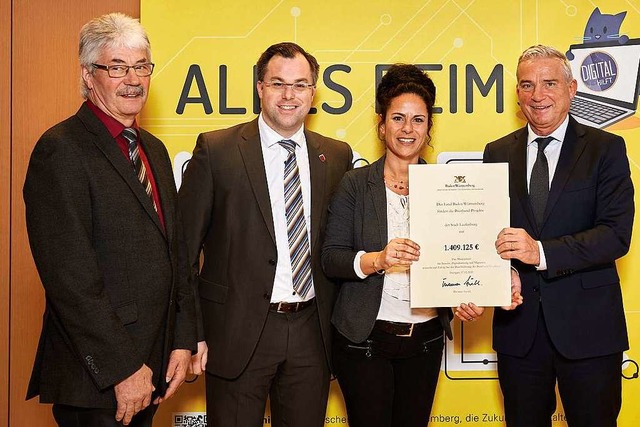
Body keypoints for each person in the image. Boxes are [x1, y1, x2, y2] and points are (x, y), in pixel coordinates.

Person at [23, 13, 197, 427]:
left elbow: (176, 252)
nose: (133, 79)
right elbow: (70, 279)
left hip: (151, 365)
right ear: (88, 75)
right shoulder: (60, 149)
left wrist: (181, 340)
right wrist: (122, 368)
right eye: (117, 67)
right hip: (101, 379)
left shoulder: (152, 149)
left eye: (141, 67)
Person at [321, 64, 516, 427]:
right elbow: (332, 259)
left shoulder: (449, 187)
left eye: (418, 120)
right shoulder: (354, 184)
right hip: (365, 339)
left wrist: (464, 296)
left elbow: (460, 260)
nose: (407, 129)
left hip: (425, 340)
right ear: (381, 125)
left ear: (429, 129)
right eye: (398, 118)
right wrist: (377, 259)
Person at [178, 42, 353, 427]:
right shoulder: (218, 150)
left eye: (300, 85)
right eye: (278, 83)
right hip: (236, 333)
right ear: (260, 87)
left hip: (311, 333)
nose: (289, 95)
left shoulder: (336, 155)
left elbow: (340, 247)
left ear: (313, 92)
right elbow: (184, 253)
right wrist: (191, 334)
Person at [484, 45, 634, 427]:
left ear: (573, 88)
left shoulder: (607, 149)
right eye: (527, 84)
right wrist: (498, 273)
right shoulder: (497, 153)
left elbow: (616, 235)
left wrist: (541, 252)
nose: (538, 95)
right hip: (519, 331)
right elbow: (487, 232)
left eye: (550, 83)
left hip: (589, 330)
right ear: (517, 93)